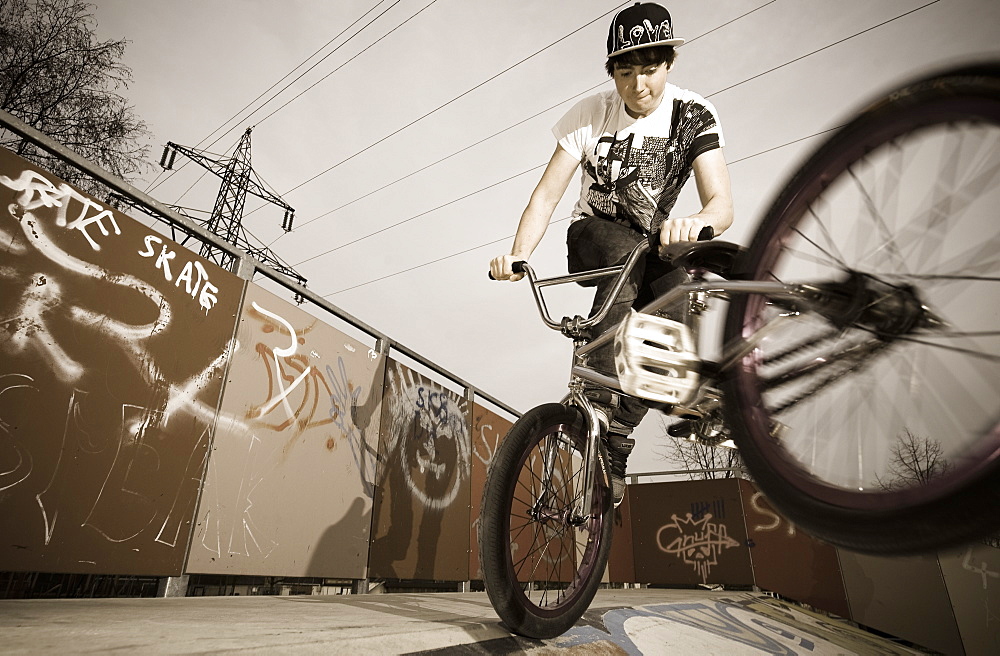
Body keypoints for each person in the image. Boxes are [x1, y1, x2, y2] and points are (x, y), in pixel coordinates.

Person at [489, 2, 733, 505]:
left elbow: (722, 202)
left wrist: (699, 223)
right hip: (593, 236)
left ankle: (620, 433)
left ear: (669, 64)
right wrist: (517, 254)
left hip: (658, 243)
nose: (638, 86)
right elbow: (546, 195)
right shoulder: (590, 115)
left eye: (649, 71)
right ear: (612, 71)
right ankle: (598, 404)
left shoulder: (693, 115)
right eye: (626, 72)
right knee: (623, 258)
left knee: (672, 324)